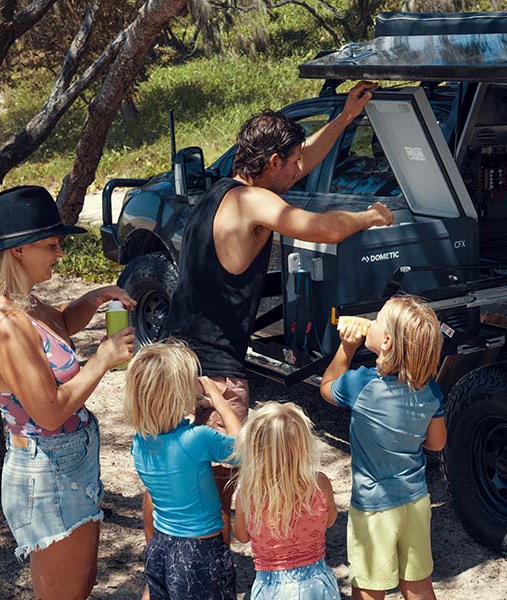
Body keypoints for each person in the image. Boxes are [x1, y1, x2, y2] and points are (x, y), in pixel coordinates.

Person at [157, 80, 394, 542]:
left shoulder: (218, 191)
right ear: (270, 164)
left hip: (174, 354)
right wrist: (370, 216)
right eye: (289, 164)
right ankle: (210, 571)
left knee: (173, 475)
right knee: (221, 489)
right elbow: (324, 229)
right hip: (215, 369)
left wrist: (346, 118)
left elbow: (302, 158)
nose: (298, 168)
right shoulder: (257, 202)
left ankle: (170, 565)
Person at [0, 185, 136, 599]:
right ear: (18, 250)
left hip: (66, 463)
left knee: (80, 587)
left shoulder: (22, 304)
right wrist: (102, 360)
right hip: (48, 470)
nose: (60, 254)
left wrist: (95, 297)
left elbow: (63, 325)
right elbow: (49, 413)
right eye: (51, 245)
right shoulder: (4, 325)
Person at [320, 296, 447, 600]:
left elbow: (326, 387)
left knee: (369, 587)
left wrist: (346, 349)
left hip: (374, 508)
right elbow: (437, 443)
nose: (370, 324)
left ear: (386, 342)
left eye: (376, 321)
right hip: (416, 502)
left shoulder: (361, 384)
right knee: (417, 585)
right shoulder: (431, 389)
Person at [124, 341, 242, 600]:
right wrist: (219, 401)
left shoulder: (141, 440)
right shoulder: (196, 439)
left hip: (161, 545)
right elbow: (239, 450)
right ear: (178, 395)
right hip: (199, 551)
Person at [232, 401, 340, 599]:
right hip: (316, 584)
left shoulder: (248, 494)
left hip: (271, 588)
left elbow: (242, 535)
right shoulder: (319, 483)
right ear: (303, 446)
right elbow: (330, 519)